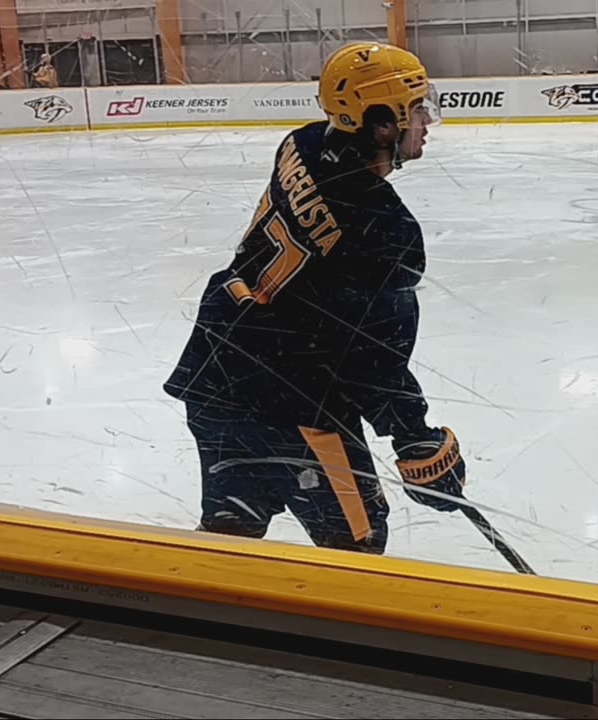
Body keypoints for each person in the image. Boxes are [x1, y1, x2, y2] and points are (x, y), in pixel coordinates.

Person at [162, 42, 461, 554]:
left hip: (216, 372)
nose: (427, 121)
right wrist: (415, 437)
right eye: (415, 110)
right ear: (381, 122)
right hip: (292, 399)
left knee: (232, 530)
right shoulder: (386, 230)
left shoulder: (298, 144)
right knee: (357, 543)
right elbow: (372, 359)